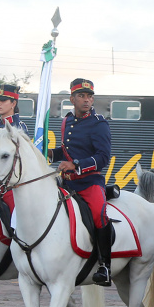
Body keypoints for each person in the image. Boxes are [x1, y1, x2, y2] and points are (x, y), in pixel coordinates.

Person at [54, 78, 113, 286]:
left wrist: (76, 164)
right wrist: (50, 154)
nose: (86, 100)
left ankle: (105, 266)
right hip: (66, 183)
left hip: (89, 181)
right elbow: (67, 150)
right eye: (81, 96)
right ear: (72, 99)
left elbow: (103, 157)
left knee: (99, 215)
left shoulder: (99, 123)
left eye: (89, 96)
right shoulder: (67, 121)